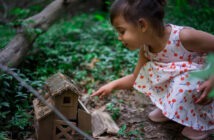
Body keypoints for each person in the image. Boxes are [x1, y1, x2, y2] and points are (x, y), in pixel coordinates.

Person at [91, 0, 214, 139]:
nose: (119, 38)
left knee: (183, 80)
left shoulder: (183, 37)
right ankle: (172, 108)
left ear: (142, 25)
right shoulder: (146, 51)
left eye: (122, 31)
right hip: (186, 82)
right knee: (151, 71)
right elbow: (136, 77)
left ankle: (203, 122)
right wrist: (112, 85)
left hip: (205, 84)